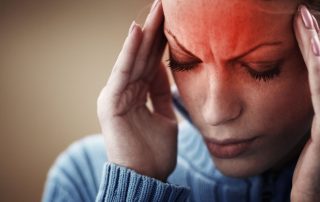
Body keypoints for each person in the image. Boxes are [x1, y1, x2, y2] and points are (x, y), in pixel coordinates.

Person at [42, 0, 320, 201]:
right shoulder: (83, 176)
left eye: (261, 67)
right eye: (184, 61)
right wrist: (133, 187)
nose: (214, 113)